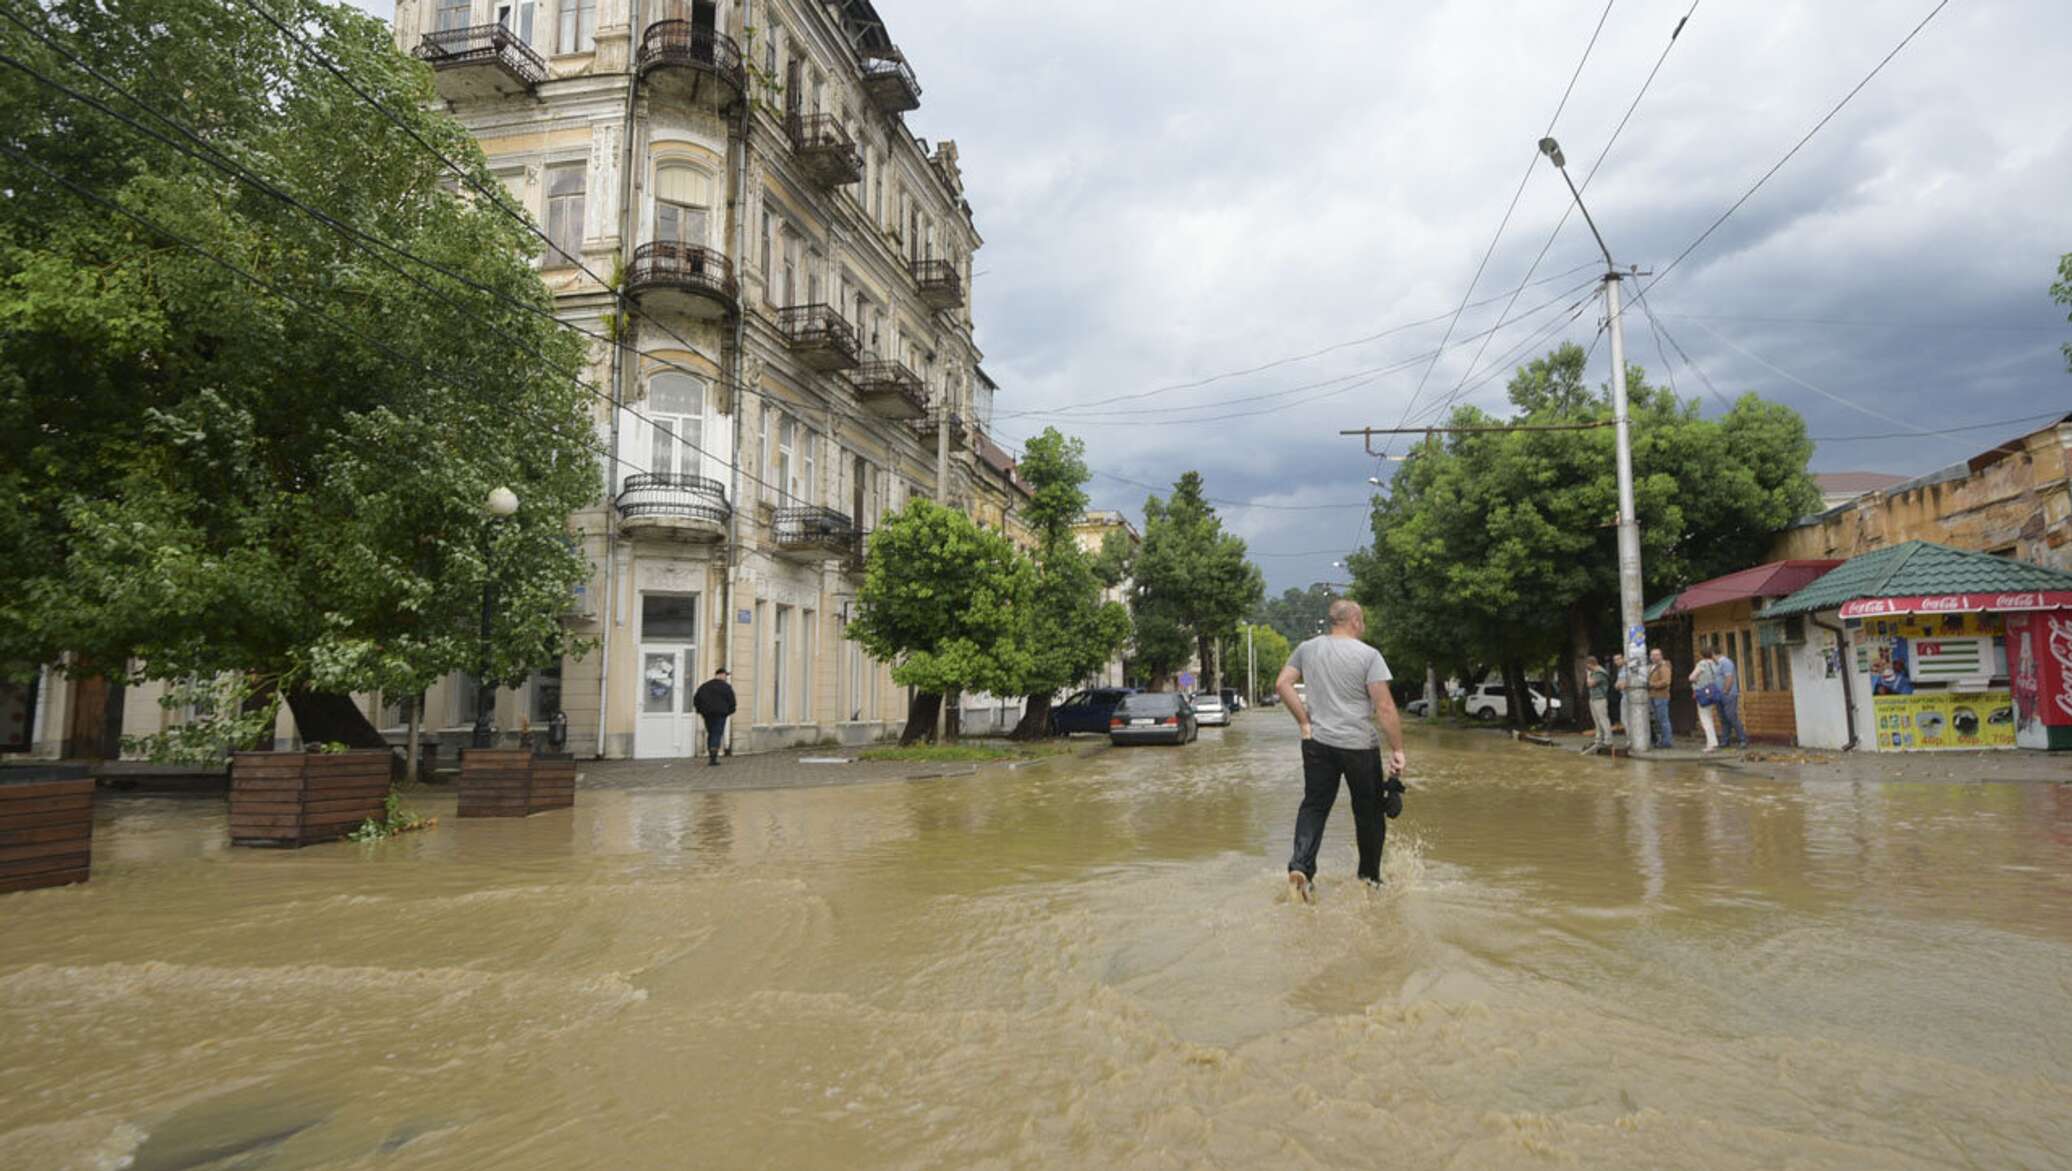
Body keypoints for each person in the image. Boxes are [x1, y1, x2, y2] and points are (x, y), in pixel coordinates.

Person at [1275, 599, 1406, 903]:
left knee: (1314, 807)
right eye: (1363, 621)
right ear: (1355, 621)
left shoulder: (1307, 648)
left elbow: (1283, 684)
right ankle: (1369, 879)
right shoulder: (1368, 655)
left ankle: (1301, 869)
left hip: (1317, 743)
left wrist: (1304, 722)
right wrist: (1398, 749)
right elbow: (1384, 706)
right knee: (1369, 813)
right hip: (1359, 746)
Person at [691, 667, 737, 766]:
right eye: (725, 675)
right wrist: (729, 711)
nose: (726, 677)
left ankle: (711, 755)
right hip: (720, 714)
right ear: (721, 675)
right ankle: (713, 758)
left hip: (707, 714)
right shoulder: (726, 687)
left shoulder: (705, 686)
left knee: (711, 733)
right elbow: (732, 701)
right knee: (716, 733)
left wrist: (700, 710)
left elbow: (696, 699)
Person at [1714, 646, 1749, 748]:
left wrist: (1725, 690)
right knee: (1723, 718)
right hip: (1719, 694)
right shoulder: (1718, 664)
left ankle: (1743, 739)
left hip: (1728, 694)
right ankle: (1725, 740)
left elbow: (1729, 678)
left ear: (1714, 654)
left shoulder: (1726, 662)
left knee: (1731, 716)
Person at [1689, 651, 1721, 753]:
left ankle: (1711, 745)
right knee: (1709, 718)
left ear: (1701, 655)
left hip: (1703, 693)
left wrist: (1696, 681)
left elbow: (1691, 677)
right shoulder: (1714, 664)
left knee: (1705, 719)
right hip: (1712, 692)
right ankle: (1712, 743)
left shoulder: (1702, 664)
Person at [1584, 655, 1613, 748]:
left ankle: (1608, 740)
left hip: (1600, 698)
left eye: (1587, 665)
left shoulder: (1600, 672)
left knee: (1603, 719)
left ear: (1590, 664)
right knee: (1597, 720)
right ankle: (1599, 739)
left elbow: (1590, 684)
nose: (1586, 667)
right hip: (1594, 698)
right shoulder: (1594, 672)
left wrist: (1588, 675)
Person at [1647, 649, 1674, 749]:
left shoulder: (1664, 666)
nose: (1654, 657)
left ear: (1661, 656)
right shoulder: (1651, 667)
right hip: (1652, 696)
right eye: (1652, 655)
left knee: (1663, 719)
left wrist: (1651, 685)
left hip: (1661, 696)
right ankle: (1660, 740)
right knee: (1657, 720)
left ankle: (1667, 741)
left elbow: (1666, 681)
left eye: (1657, 655)